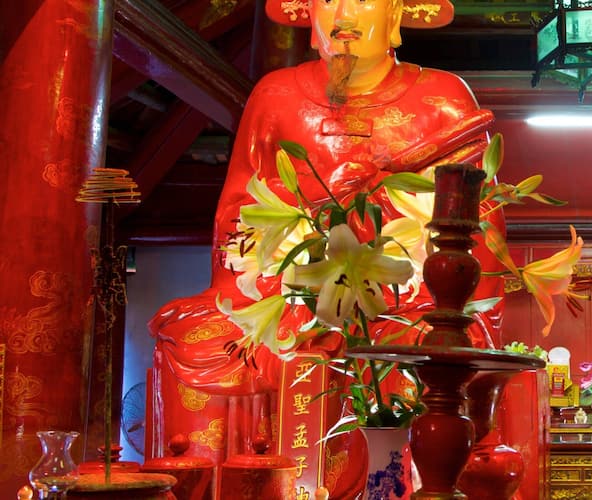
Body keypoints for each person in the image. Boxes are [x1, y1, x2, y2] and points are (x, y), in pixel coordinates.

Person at [147, 0, 505, 497]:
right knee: (190, 335)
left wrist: (440, 299)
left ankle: (394, 487)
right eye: (328, 0)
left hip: (408, 300)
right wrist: (284, 286)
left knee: (410, 357)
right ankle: (222, 483)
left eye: (363, 0)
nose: (343, 16)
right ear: (308, 16)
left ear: (398, 15)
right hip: (288, 293)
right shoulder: (274, 96)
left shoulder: (442, 100)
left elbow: (478, 230)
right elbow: (238, 214)